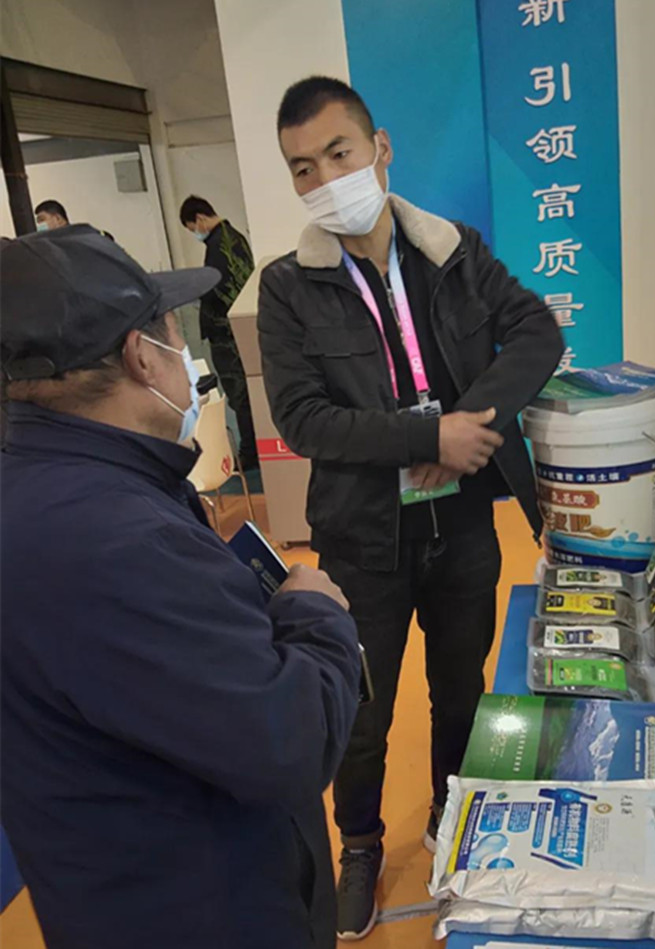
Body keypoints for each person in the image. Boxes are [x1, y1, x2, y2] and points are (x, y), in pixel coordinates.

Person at [258, 76, 562, 939]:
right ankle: (359, 844)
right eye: (302, 168)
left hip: (463, 522)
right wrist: (430, 435)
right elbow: (303, 416)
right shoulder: (289, 287)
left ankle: (449, 816)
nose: (325, 180)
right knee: (361, 709)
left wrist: (478, 422)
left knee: (461, 688)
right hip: (363, 536)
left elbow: (538, 330)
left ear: (379, 148)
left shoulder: (452, 252)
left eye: (338, 154)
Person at [0, 224, 361, 949]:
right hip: (204, 908)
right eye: (172, 329)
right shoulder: (115, 537)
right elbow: (287, 742)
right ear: (143, 354)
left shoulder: (52, 488)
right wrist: (315, 611)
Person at [179, 195, 258, 469]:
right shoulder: (235, 238)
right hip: (239, 333)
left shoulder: (219, 245)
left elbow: (216, 290)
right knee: (249, 394)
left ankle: (250, 452)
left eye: (192, 229)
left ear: (200, 219)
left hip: (227, 336)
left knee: (240, 395)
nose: (195, 234)